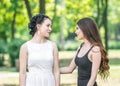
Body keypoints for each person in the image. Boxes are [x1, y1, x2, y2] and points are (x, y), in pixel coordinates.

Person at [60, 17, 110, 86]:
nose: (75, 32)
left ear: (85, 29)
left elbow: (93, 77)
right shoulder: (80, 47)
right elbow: (69, 69)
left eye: (77, 28)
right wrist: (51, 70)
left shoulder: (95, 50)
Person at [19, 14, 60, 86]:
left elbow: (56, 71)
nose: (50, 29)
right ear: (38, 26)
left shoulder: (53, 46)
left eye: (51, 26)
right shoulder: (25, 47)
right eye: (48, 25)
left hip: (49, 83)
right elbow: (22, 73)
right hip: (32, 83)